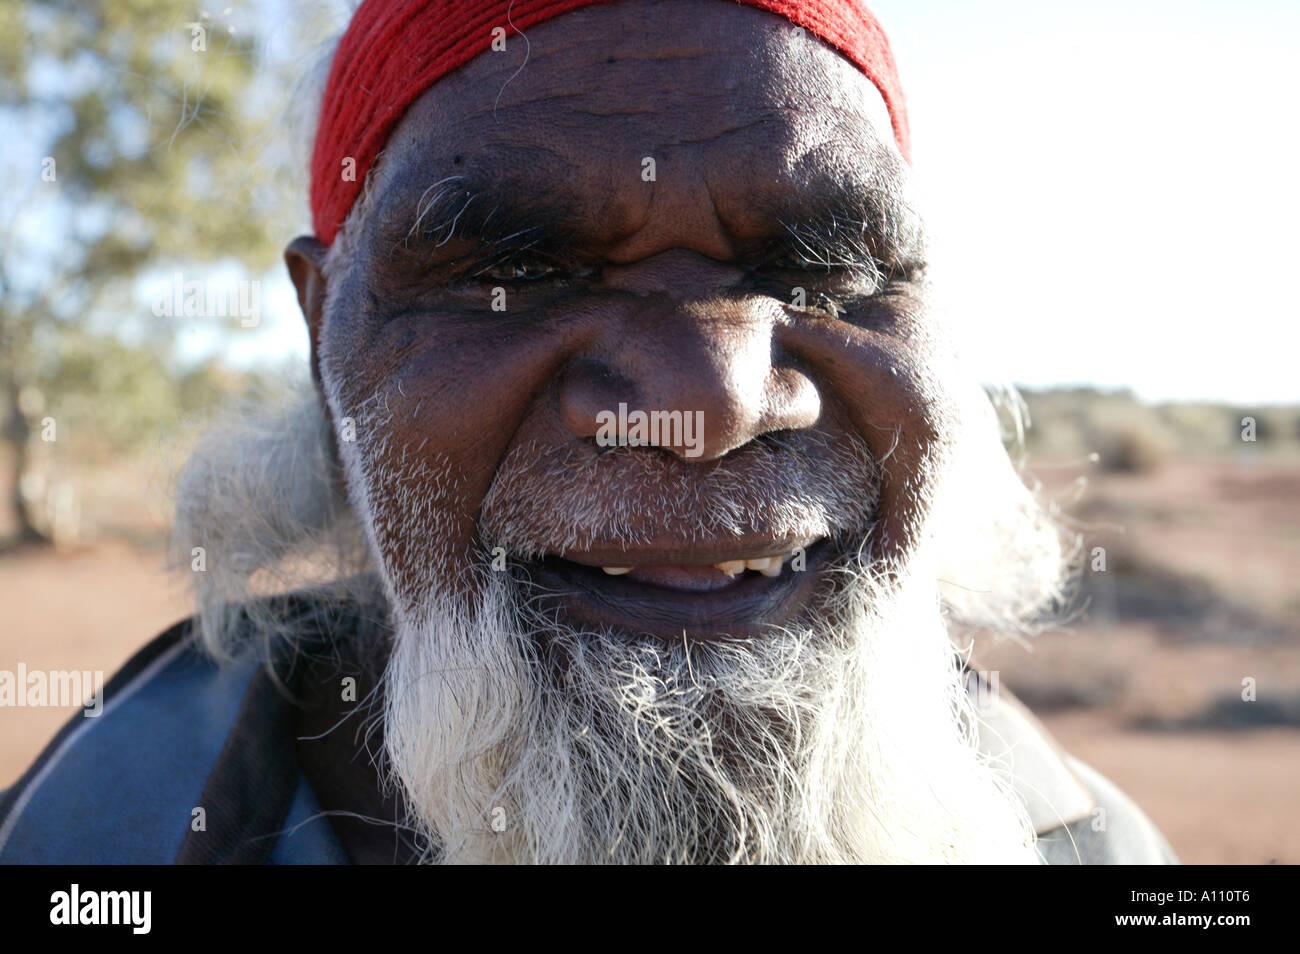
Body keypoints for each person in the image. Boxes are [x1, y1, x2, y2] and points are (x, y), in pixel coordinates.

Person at [0, 0, 1176, 865]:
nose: (710, 402)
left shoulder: (1095, 853)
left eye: (829, 265)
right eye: (516, 271)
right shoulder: (94, 840)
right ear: (324, 342)